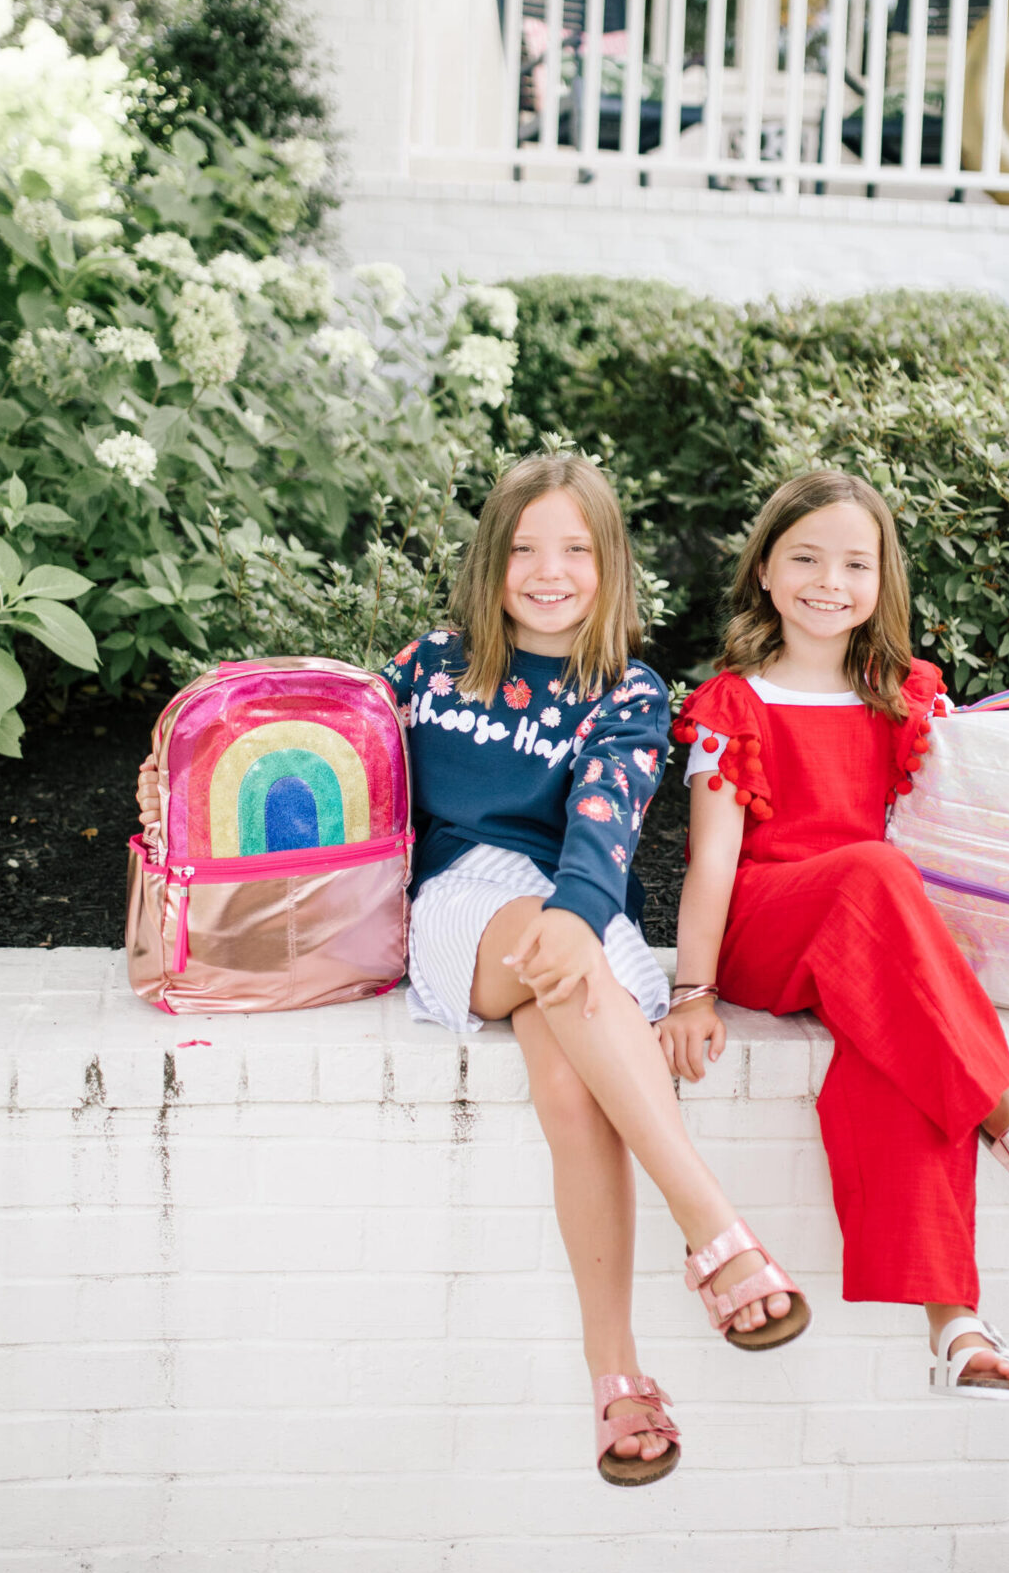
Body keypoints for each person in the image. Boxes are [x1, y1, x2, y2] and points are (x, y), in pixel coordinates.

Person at [137, 453, 808, 1483]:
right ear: (491, 561)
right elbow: (346, 758)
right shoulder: (434, 666)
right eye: (526, 548)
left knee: (571, 1095)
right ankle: (714, 1229)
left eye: (576, 549)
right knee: (562, 965)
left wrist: (580, 917)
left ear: (608, 563)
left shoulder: (627, 690)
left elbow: (608, 821)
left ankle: (614, 1377)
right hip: (460, 909)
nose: (550, 571)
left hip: (572, 910)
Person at [660, 469, 1009, 1399]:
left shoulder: (905, 695)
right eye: (804, 558)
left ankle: (953, 1323)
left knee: (895, 1054)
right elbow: (712, 862)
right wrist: (691, 991)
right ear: (764, 571)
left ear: (882, 582)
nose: (828, 581)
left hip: (867, 939)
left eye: (854, 563)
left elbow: (984, 827)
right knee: (878, 874)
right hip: (770, 928)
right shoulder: (735, 702)